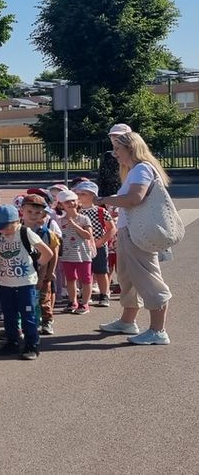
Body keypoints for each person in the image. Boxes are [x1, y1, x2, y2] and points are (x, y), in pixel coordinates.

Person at [96, 126, 173, 345]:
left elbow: (134, 199)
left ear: (131, 148)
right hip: (130, 232)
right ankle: (127, 321)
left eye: (118, 148)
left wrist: (106, 200)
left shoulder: (141, 169)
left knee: (147, 278)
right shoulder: (135, 170)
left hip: (138, 234)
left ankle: (158, 330)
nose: (114, 153)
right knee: (128, 278)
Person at [0, 204, 53, 360]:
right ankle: (12, 342)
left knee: (28, 315)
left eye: (5, 227)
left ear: (15, 222)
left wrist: (36, 265)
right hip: (4, 283)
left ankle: (32, 344)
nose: (2, 230)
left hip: (25, 283)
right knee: (9, 315)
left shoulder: (25, 232)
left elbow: (47, 253)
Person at [20, 193, 61, 336]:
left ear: (44, 214)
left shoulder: (47, 233)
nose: (33, 215)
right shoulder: (15, 231)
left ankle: (47, 321)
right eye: (29, 212)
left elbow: (53, 253)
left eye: (38, 212)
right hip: (22, 273)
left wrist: (49, 272)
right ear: (22, 211)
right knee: (25, 301)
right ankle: (25, 324)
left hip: (42, 272)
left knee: (43, 298)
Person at [74, 180, 116, 308]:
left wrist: (101, 241)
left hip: (98, 246)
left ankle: (104, 294)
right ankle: (85, 294)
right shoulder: (77, 211)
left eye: (84, 194)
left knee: (101, 271)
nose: (80, 196)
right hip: (82, 246)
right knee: (84, 272)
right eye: (78, 194)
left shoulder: (100, 211)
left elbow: (112, 228)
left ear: (92, 195)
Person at [54, 189, 95, 315]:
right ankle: (73, 301)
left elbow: (88, 235)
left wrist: (74, 225)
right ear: (61, 205)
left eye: (73, 200)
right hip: (67, 255)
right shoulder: (59, 221)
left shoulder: (84, 219)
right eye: (67, 202)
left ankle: (85, 303)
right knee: (70, 279)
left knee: (86, 280)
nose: (71, 204)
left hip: (83, 254)